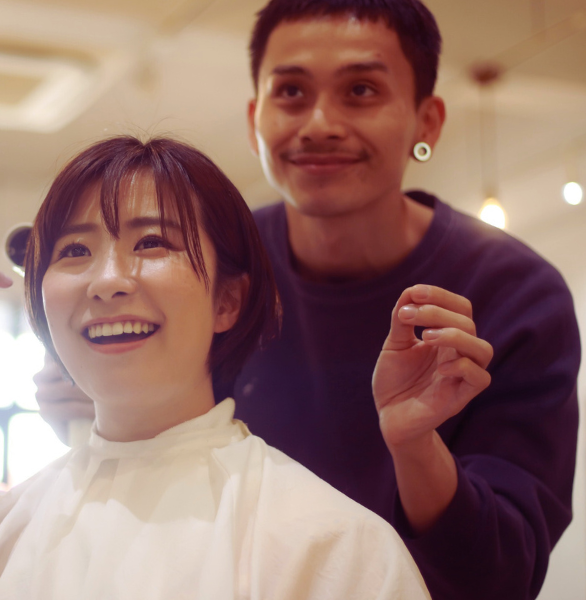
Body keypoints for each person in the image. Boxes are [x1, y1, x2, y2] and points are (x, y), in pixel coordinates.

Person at [35, 2, 581, 599]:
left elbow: (503, 576)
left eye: (361, 90)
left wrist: (413, 446)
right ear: (254, 118)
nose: (319, 122)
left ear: (427, 121)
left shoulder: (516, 294)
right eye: (291, 91)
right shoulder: (215, 262)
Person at [0, 136, 457, 599]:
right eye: (74, 251)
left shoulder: (327, 541)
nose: (107, 280)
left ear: (229, 298)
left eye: (152, 242)